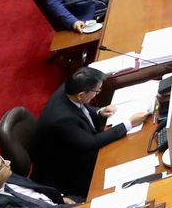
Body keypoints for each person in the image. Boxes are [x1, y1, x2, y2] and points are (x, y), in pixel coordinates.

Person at [32, 67, 150, 199]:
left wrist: (100, 111)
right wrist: (128, 124)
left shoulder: (70, 88)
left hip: (75, 143)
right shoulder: (62, 120)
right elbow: (91, 143)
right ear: (82, 94)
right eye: (96, 91)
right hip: (68, 167)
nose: (98, 93)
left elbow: (81, 108)